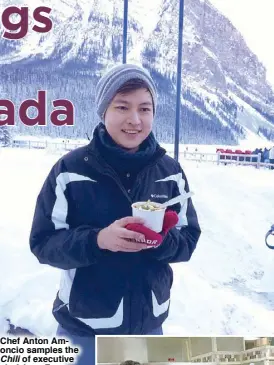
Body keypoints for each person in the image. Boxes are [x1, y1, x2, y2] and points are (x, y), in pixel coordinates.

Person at [29, 63, 201, 364]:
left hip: (149, 326)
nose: (135, 120)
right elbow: (43, 244)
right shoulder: (70, 171)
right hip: (83, 330)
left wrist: (162, 240)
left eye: (145, 109)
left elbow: (188, 239)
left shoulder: (170, 172)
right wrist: (98, 241)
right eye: (122, 106)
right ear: (103, 111)